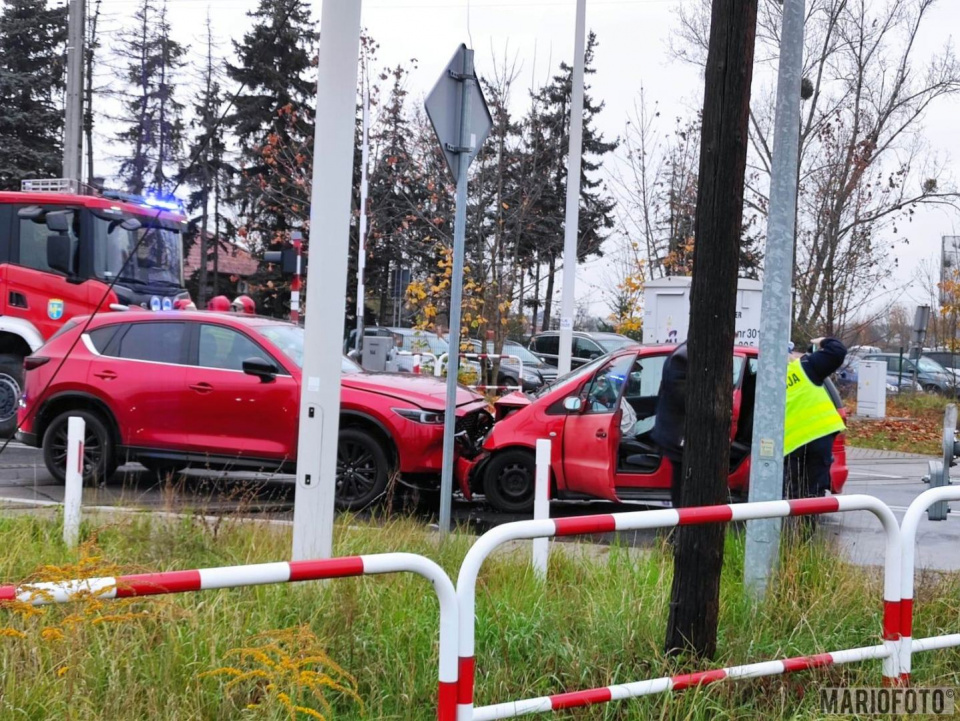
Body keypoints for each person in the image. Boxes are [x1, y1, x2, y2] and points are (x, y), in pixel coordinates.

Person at [783, 337, 847, 500]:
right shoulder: (804, 366)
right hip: (820, 437)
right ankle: (808, 525)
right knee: (814, 495)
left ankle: (794, 526)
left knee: (791, 495)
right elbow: (837, 351)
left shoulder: (762, 382)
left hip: (790, 444)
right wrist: (823, 341)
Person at [650, 342, 688, 508]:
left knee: (682, 482)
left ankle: (682, 524)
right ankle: (682, 524)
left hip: (677, 431)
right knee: (682, 484)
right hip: (678, 434)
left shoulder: (684, 353)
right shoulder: (684, 357)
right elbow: (683, 397)